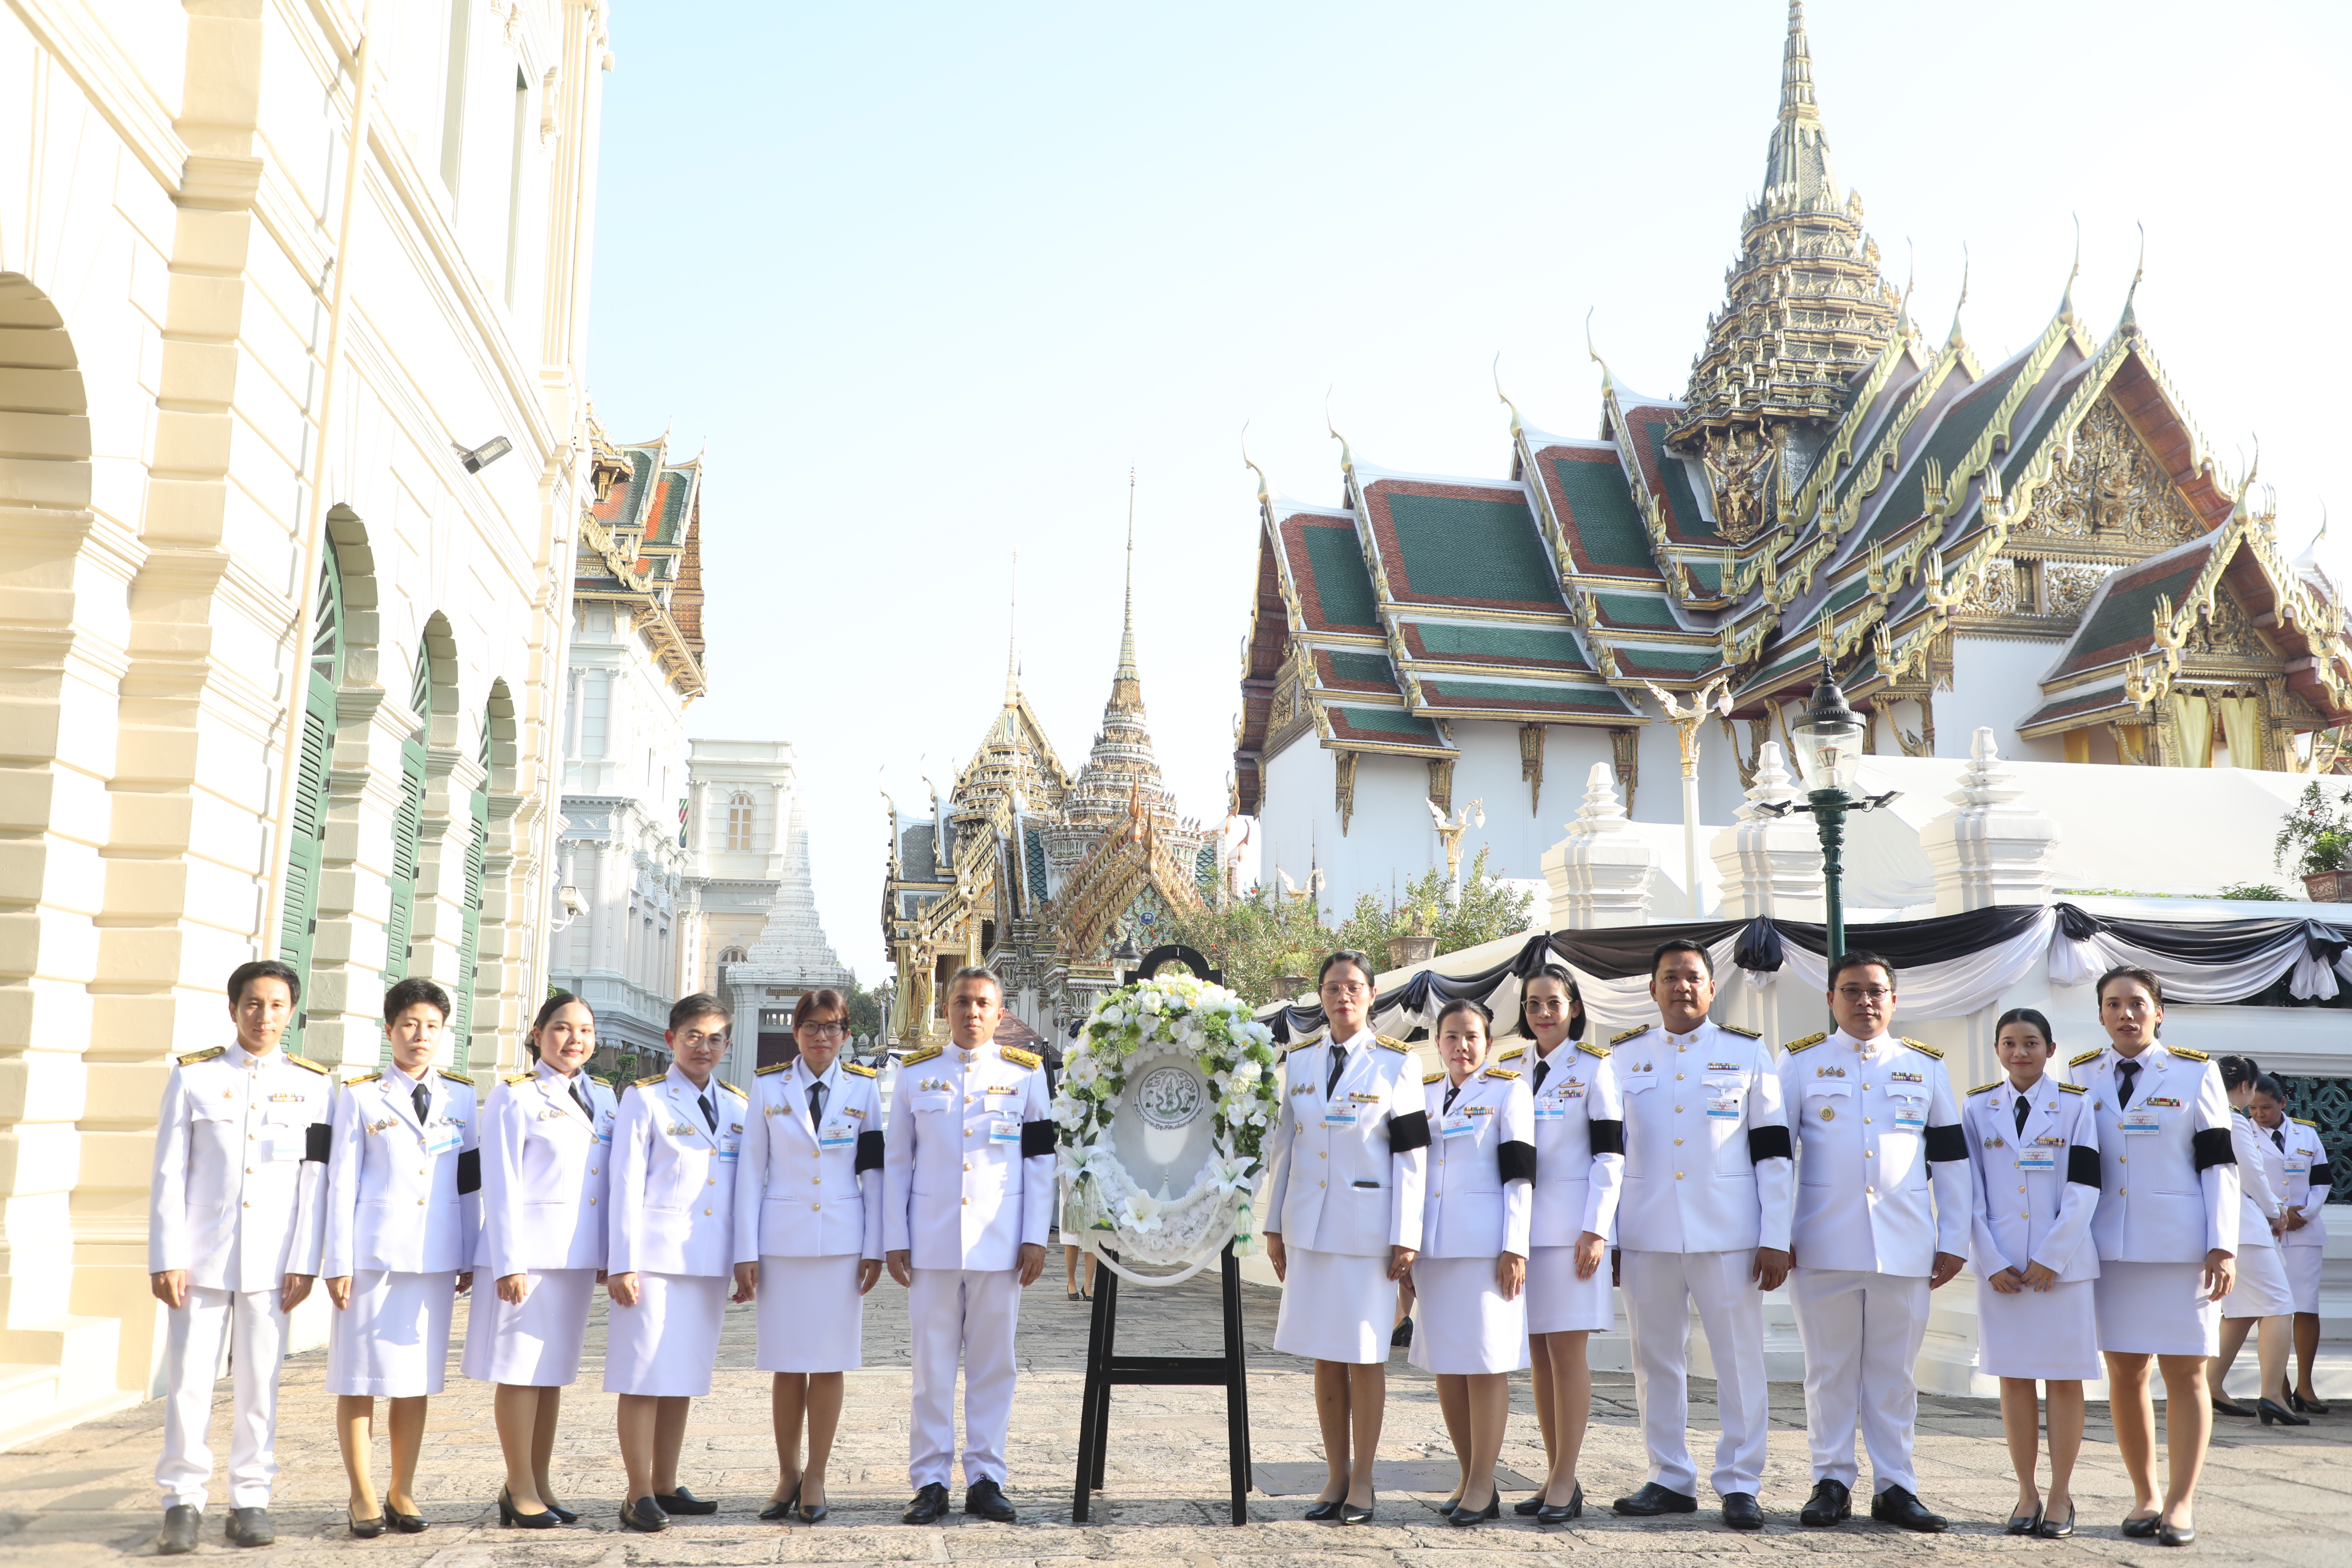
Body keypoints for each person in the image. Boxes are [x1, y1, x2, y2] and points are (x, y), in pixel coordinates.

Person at [1777, 950, 1968, 1534]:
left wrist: (1955, 1236)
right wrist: (1775, 1234)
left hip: (1904, 1244)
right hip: (1822, 1243)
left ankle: (1896, 1487)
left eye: (1876, 991)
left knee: (1895, 1377)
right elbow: (1777, 1157)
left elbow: (1951, 1159)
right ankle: (1831, 1481)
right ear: (1831, 999)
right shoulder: (1800, 1062)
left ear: (1893, 999)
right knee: (1828, 1372)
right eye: (1852, 990)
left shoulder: (1924, 1066)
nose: (1865, 1001)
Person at [149, 959, 332, 1553]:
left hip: (272, 1263)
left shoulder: (314, 1086)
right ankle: (182, 1502)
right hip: (200, 1257)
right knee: (189, 1384)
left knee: (260, 1385)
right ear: (233, 1009)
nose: (264, 1016)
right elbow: (169, 1173)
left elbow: (315, 1180)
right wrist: (165, 1255)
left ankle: (251, 1499)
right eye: (253, 1004)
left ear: (291, 1012)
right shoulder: (195, 1077)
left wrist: (305, 1258)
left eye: (277, 1005)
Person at [1610, 939, 1789, 1531]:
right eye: (1670, 977)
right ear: (1653, 989)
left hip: (1729, 1234)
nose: (1681, 987)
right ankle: (1669, 1477)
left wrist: (1776, 1234)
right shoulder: (1624, 1057)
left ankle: (1740, 1482)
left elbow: (1773, 1151)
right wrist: (1610, 1239)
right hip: (1647, 1231)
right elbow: (1610, 1154)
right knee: (1655, 1360)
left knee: (1739, 1361)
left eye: (1692, 977)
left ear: (1712, 989)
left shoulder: (1746, 1052)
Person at [2065, 965, 2238, 1546]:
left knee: (2186, 1372)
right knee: (2126, 1372)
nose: (2126, 1014)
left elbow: (2218, 1162)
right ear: (2100, 1014)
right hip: (2109, 1248)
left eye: (2137, 1003)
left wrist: (2223, 1244)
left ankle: (2181, 1503)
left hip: (2181, 1248)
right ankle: (2145, 1495)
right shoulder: (2081, 1074)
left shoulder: (2194, 1071)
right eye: (2113, 1004)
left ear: (2158, 1012)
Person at [1260, 949, 1429, 1525]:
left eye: (1354, 987)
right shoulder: (1301, 1061)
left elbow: (1412, 1158)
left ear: (1372, 995)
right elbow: (1286, 1147)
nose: (1343, 996)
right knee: (1325, 1356)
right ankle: (1335, 1475)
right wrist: (1274, 1226)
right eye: (1333, 987)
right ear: (1321, 996)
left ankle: (1364, 1481)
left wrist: (1407, 1235)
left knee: (1365, 1356)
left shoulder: (1397, 1063)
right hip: (1309, 1229)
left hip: (1368, 1233)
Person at [883, 967, 1054, 1524]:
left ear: (1000, 1014)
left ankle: (986, 1478)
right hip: (931, 1242)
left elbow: (1041, 1161)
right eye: (962, 1002)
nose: (972, 1012)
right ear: (946, 1008)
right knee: (931, 1370)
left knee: (993, 1366)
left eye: (983, 1003)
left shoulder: (1026, 1074)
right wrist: (894, 1237)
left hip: (999, 1243)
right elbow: (896, 1162)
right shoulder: (916, 1074)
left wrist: (1034, 1236)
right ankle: (930, 1481)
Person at [321, 978, 479, 1536]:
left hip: (434, 1259)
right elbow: (340, 1182)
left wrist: (469, 1252)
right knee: (358, 1377)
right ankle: (362, 1492)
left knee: (415, 1380)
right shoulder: (360, 1095)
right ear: (390, 1029)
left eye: (432, 1026)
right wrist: (337, 1261)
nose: (421, 1035)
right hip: (372, 1259)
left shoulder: (461, 1097)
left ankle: (401, 1489)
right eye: (410, 1024)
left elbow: (468, 1181)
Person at [464, 991, 617, 1528]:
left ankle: (541, 1481)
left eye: (585, 1030)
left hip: (574, 1257)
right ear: (537, 1034)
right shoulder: (515, 1096)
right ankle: (518, 1486)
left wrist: (609, 1252)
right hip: (527, 1258)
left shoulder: (604, 1096)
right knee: (519, 1372)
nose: (575, 1039)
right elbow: (500, 1182)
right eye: (562, 1028)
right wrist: (509, 1261)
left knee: (551, 1375)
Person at [734, 988, 885, 1524]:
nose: (822, 1036)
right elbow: (750, 1172)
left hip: (842, 1244)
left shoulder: (864, 1088)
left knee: (829, 1362)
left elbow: (874, 1172)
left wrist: (876, 1247)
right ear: (796, 1032)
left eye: (832, 1027)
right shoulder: (768, 1086)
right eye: (812, 1026)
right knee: (786, 1363)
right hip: (782, 1244)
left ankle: (816, 1474)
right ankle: (787, 1473)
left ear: (846, 1034)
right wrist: (744, 1250)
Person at [605, 994, 751, 1531]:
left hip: (707, 1261)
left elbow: (743, 1190)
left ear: (727, 1045)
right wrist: (621, 1262)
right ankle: (638, 1491)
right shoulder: (645, 1099)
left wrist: (743, 1258)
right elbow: (624, 1183)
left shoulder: (737, 1105)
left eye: (714, 1038)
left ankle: (666, 1483)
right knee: (643, 1374)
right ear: (672, 1039)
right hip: (653, 1260)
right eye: (693, 1036)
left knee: (683, 1375)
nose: (703, 1047)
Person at [1959, 1007, 2101, 1539]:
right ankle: (2026, 1491)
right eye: (2010, 1043)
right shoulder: (1977, 1107)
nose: (2020, 1052)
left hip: (2061, 1269)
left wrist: (2052, 1256)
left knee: (2064, 1379)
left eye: (2032, 1042)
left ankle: (2061, 1494)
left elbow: (2085, 1185)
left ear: (2050, 1049)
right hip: (2003, 1271)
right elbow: (1967, 1190)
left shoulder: (2076, 1105)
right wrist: (1990, 1259)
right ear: (1998, 1049)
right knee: (2014, 1379)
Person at [1408, 998, 1535, 1527]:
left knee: (1484, 1364)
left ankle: (1484, 1482)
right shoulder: (1421, 1094)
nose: (1462, 1046)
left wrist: (1515, 1246)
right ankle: (1467, 1474)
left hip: (1486, 1251)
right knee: (1447, 1365)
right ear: (1437, 1042)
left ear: (1488, 1042)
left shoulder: (1508, 1091)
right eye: (1452, 1036)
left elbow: (1520, 1174)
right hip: (1434, 1251)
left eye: (1472, 1037)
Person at [1501, 963, 1620, 1524]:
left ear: (1574, 1008)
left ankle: (1567, 1478)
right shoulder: (1510, 1069)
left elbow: (1610, 1155)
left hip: (1573, 1234)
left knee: (1567, 1354)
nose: (1544, 1013)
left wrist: (1596, 1229)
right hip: (1522, 1235)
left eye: (1554, 1003)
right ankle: (1554, 1474)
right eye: (1533, 1004)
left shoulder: (1596, 1067)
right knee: (1540, 1358)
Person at [2207, 1061, 2299, 1426]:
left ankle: (2210, 1384)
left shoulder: (2201, 1114)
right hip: (2243, 1225)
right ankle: (2273, 1394)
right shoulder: (2234, 1120)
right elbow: (2252, 1175)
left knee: (2241, 1310)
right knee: (2279, 1305)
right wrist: (2276, 1211)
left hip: (2221, 1225)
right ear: (2245, 1086)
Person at [2266, 1091, 2331, 1413]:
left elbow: (2322, 1180)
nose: (2259, 1114)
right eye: (2254, 1108)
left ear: (2282, 1103)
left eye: (2267, 1107)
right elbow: (2241, 1182)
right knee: (2269, 1308)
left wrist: (2303, 1213)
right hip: (2265, 1231)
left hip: (2304, 1231)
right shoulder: (2241, 1132)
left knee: (2306, 1306)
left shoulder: (2306, 1133)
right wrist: (2276, 1214)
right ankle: (2277, 1385)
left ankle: (2305, 1386)